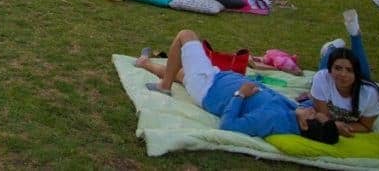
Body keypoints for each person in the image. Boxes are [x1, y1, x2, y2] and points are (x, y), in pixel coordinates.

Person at [135, 29, 339, 143]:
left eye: (313, 115)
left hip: (208, 87)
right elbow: (280, 100)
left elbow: (228, 125)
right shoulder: (294, 114)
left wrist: (240, 94)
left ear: (304, 125)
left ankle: (164, 86)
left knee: (185, 35)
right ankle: (146, 63)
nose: (312, 110)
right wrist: (334, 124)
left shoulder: (272, 120)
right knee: (181, 74)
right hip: (217, 80)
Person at [309, 10, 379, 135]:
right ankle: (332, 47)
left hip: (358, 80)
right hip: (327, 73)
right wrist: (334, 126)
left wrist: (337, 126)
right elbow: (323, 115)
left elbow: (366, 126)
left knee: (365, 75)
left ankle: (354, 35)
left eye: (349, 70)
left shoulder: (370, 94)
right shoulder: (323, 77)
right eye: (338, 69)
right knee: (327, 66)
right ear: (331, 70)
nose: (343, 74)